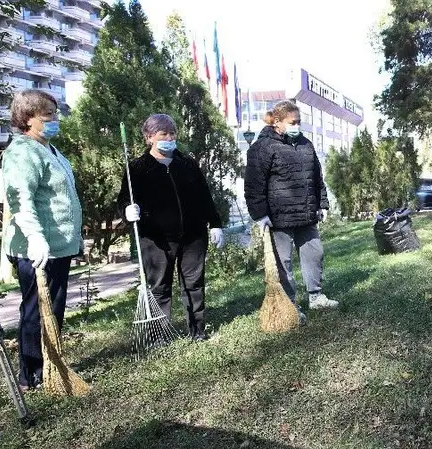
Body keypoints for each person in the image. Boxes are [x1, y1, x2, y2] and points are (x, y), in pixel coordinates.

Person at [117, 114, 224, 341]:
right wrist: (128, 211)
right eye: (163, 134)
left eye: (172, 133)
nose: (169, 138)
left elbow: (205, 196)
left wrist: (215, 224)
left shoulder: (188, 164)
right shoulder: (137, 168)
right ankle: (160, 336)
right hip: (156, 239)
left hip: (193, 235)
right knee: (159, 287)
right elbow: (125, 199)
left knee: (194, 284)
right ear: (149, 138)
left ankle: (197, 330)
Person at [2, 89, 82, 391]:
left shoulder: (49, 149)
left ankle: (52, 362)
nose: (54, 121)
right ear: (27, 119)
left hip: (59, 245)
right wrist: (35, 237)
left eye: (55, 114)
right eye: (48, 116)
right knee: (36, 309)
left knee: (55, 305)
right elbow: (20, 199)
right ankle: (31, 374)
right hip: (35, 248)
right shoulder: (22, 152)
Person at [244, 100, 338, 316]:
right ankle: (291, 306)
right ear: (277, 122)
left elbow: (317, 176)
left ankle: (316, 296)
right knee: (282, 264)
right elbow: (253, 185)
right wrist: (260, 215)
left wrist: (322, 203)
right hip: (279, 218)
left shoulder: (306, 144)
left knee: (315, 254)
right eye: (292, 122)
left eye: (299, 122)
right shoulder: (263, 147)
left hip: (306, 213)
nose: (297, 126)